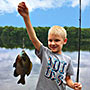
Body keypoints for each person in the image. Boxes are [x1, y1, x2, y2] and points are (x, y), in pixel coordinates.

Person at [18, 2, 82, 90]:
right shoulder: (44, 52)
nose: (52, 43)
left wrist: (73, 85)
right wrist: (26, 17)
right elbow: (33, 38)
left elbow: (67, 79)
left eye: (57, 40)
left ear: (64, 41)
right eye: (50, 40)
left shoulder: (68, 60)